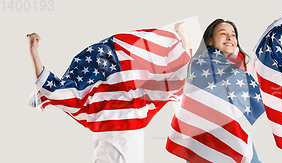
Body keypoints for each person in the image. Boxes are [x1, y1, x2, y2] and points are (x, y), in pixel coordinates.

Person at [26, 22, 191, 163]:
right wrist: (33, 51)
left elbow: (51, 89)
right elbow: (52, 90)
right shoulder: (133, 105)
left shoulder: (135, 104)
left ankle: (183, 43)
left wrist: (33, 52)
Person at [166, 19, 263, 163]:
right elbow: (185, 67)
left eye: (233, 35)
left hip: (235, 135)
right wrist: (185, 37)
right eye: (223, 33)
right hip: (203, 139)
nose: (230, 37)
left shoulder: (239, 67)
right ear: (210, 41)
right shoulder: (200, 64)